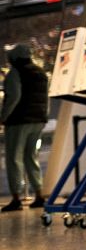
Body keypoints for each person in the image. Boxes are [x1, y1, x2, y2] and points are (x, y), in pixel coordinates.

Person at [2, 43, 50, 211]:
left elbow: (13, 96)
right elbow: (46, 98)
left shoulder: (15, 72)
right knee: (31, 157)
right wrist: (43, 116)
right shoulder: (41, 73)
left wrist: (3, 117)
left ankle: (16, 198)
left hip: (18, 121)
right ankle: (39, 194)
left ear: (15, 57)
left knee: (14, 158)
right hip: (38, 120)